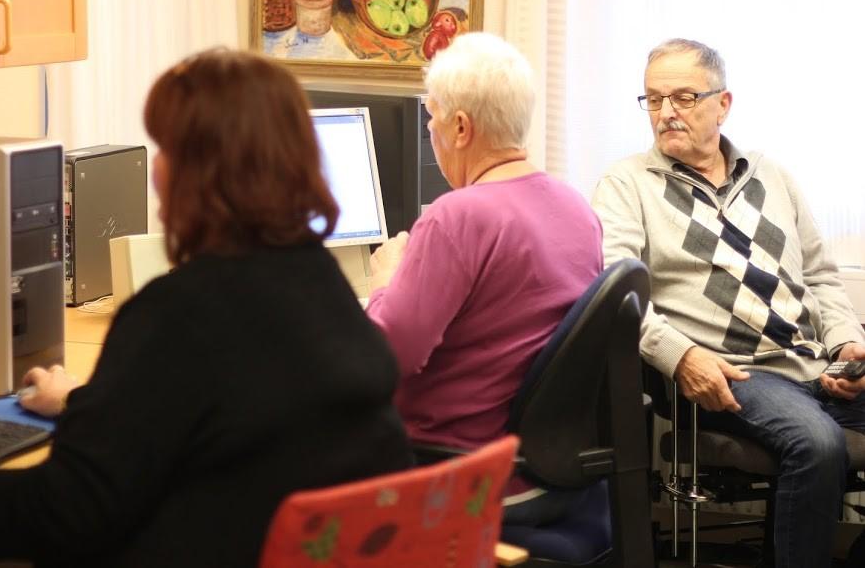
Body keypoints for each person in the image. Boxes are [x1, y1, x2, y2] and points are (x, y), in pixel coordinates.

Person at [0, 48, 412, 567]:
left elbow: (65, 511)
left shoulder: (176, 315)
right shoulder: (318, 283)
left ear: (200, 175)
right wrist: (87, 404)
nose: (157, 171)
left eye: (166, 150)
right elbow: (215, 418)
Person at [591, 37, 865, 568]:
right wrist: (680, 356)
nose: (666, 112)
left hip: (815, 364)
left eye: (684, 97)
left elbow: (822, 276)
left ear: (724, 103)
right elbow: (616, 293)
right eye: (654, 99)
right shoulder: (627, 184)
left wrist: (848, 344)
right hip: (732, 373)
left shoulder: (772, 176)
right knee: (818, 445)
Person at [365, 32, 604, 523]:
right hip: (551, 469)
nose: (430, 133)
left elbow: (388, 357)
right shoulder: (577, 208)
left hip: (459, 471)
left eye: (431, 117)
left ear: (459, 126)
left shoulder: (457, 216)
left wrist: (385, 280)